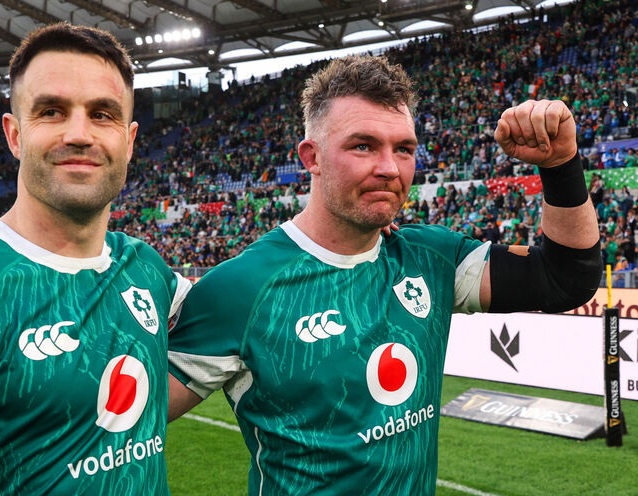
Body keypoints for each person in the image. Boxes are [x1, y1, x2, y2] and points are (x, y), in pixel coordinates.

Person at [167, 55, 601, 495]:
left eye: (404, 149)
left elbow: (565, 279)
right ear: (311, 157)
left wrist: (561, 163)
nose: (390, 168)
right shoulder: (241, 289)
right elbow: (119, 426)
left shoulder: (430, 257)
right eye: (363, 146)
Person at [0, 23, 190, 495]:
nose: (79, 134)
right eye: (51, 111)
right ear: (14, 134)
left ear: (130, 139)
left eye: (102, 114)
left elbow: (231, 325)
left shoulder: (146, 267)